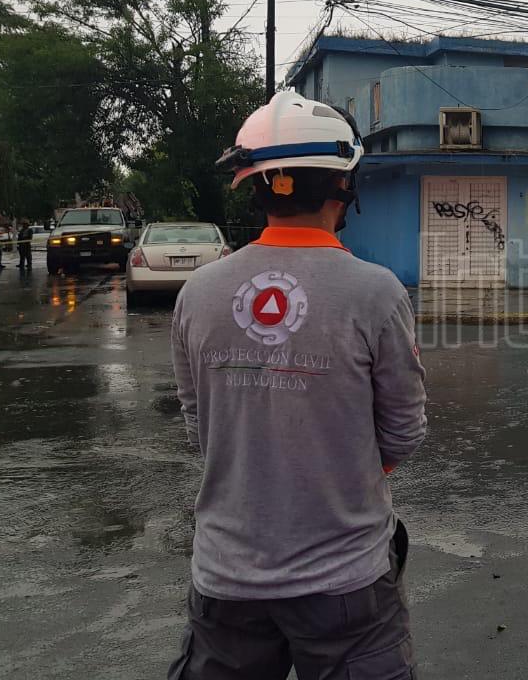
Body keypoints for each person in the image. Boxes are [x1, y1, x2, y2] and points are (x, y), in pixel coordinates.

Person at [168, 89, 427, 680]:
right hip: (347, 582)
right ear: (344, 185)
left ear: (255, 186)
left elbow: (200, 426)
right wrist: (339, 471)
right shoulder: (376, 292)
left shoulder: (197, 293)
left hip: (226, 580)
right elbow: (404, 431)